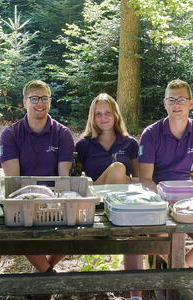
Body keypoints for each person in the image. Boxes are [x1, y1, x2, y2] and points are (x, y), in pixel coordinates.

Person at [0, 80, 74, 299]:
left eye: (44, 98)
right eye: (34, 98)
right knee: (17, 234)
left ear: (50, 102)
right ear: (25, 102)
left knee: (77, 235)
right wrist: (33, 200)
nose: (39, 103)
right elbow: (14, 181)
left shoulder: (62, 133)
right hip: (22, 201)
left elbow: (63, 179)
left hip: (54, 201)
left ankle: (42, 276)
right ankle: (47, 279)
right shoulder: (11, 134)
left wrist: (50, 200)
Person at [75, 93, 142, 300]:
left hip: (123, 205)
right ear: (92, 118)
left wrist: (127, 181)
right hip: (96, 203)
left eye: (107, 113)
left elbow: (139, 179)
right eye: (98, 114)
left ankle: (136, 296)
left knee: (135, 236)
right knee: (118, 168)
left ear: (115, 115)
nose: (103, 118)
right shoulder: (84, 145)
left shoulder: (129, 143)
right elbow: (77, 182)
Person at [138, 79, 193, 267]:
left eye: (181, 100)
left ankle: (181, 270)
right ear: (164, 103)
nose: (176, 105)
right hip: (158, 198)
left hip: (188, 199)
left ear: (191, 103)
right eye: (171, 100)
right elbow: (145, 178)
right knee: (158, 233)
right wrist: (160, 201)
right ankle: (182, 276)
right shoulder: (151, 134)